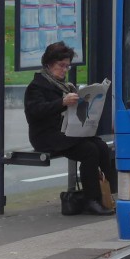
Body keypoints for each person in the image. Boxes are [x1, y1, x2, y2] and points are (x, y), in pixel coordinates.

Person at [24, 41, 117, 216]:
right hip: (47, 135)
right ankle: (92, 200)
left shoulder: (65, 86)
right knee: (89, 151)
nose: (65, 70)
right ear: (49, 64)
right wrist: (62, 103)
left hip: (66, 132)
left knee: (102, 147)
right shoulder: (37, 86)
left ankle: (109, 194)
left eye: (67, 66)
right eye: (61, 66)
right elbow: (35, 112)